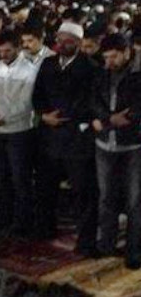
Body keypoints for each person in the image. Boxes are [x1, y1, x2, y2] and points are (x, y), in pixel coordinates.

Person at [33, 21, 98, 253]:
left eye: (68, 40)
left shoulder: (90, 68)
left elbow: (90, 102)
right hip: (49, 137)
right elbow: (37, 94)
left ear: (78, 43)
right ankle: (44, 229)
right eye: (59, 39)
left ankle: (86, 240)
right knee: (45, 188)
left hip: (76, 140)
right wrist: (44, 116)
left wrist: (69, 120)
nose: (62, 44)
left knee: (83, 192)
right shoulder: (48, 63)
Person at [0, 31, 38, 234]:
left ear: (18, 48)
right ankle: (2, 215)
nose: (3, 55)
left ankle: (22, 221)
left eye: (7, 50)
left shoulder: (29, 70)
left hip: (18, 131)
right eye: (0, 51)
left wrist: (4, 117)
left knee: (19, 177)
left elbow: (26, 102)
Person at [91, 34, 141, 268]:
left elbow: (135, 112)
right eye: (106, 58)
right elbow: (94, 101)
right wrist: (107, 119)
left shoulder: (137, 74)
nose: (108, 63)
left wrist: (109, 121)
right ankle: (106, 244)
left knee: (134, 202)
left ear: (127, 52)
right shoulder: (102, 72)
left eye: (113, 57)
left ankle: (134, 251)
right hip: (105, 144)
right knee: (106, 197)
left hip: (133, 146)